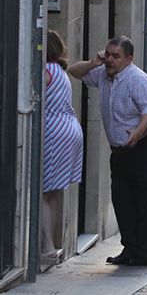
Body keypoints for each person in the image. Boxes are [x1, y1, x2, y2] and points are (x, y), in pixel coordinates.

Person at [68, 36, 147, 267]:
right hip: (121, 151)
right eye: (108, 54)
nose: (110, 60)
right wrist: (93, 63)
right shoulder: (102, 73)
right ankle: (130, 248)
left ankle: (146, 254)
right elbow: (74, 71)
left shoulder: (139, 81)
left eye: (116, 56)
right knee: (122, 199)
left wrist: (137, 132)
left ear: (129, 59)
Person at [42, 30, 84, 264]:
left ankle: (48, 247)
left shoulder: (45, 71)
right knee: (52, 193)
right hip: (70, 130)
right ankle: (49, 245)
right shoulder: (61, 72)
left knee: (42, 192)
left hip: (53, 132)